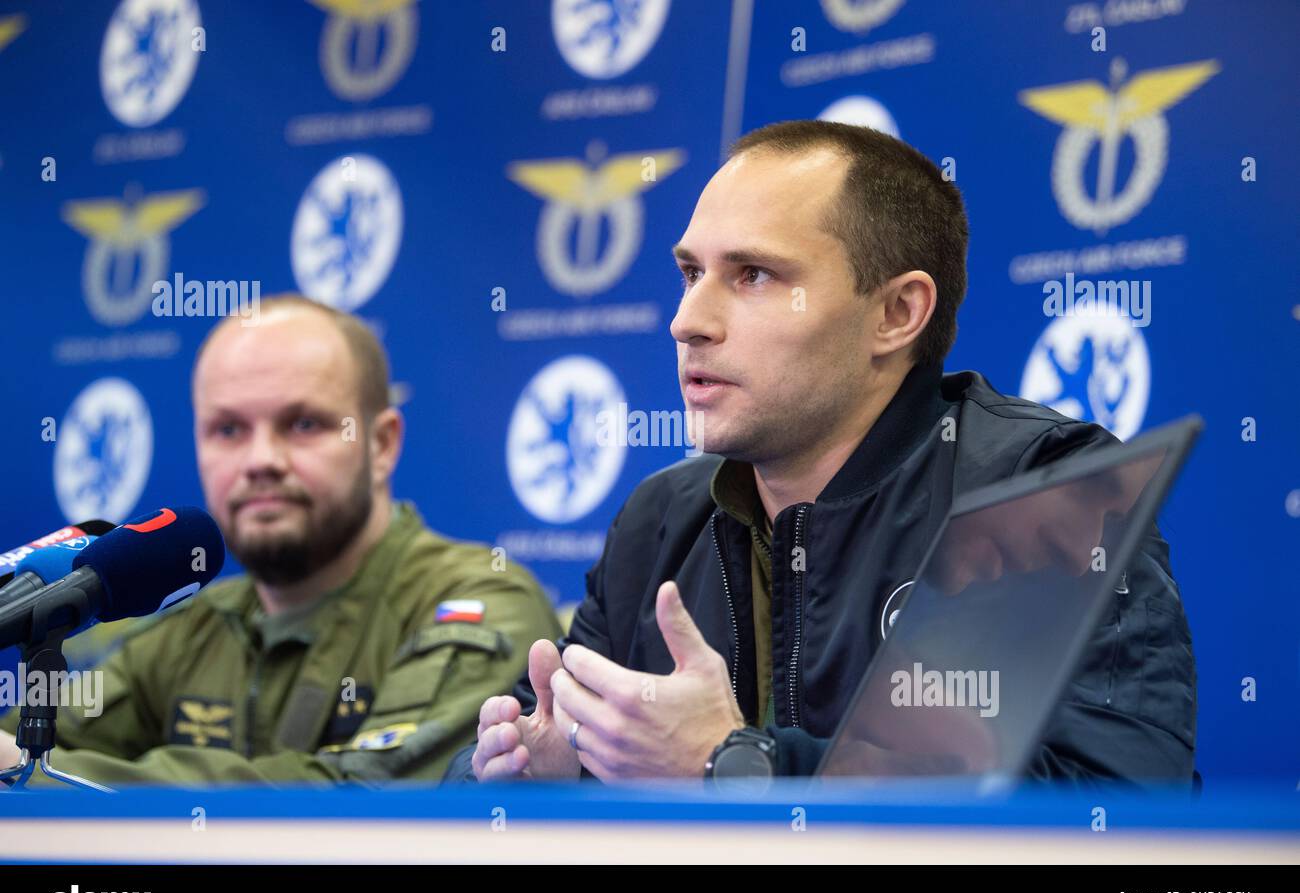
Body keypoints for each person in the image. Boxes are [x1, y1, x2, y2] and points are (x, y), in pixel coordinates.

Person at [457, 120, 1196, 786]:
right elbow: (507, 756)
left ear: (896, 313)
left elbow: (1121, 810)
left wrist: (739, 763)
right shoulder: (661, 514)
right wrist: (548, 777)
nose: (688, 321)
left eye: (753, 275)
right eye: (690, 273)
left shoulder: (1042, 488)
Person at [0, 294, 560, 785]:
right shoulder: (196, 623)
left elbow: (359, 803)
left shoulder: (482, 603)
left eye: (303, 424)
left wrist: (23, 776)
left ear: (382, 444)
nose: (260, 461)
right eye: (227, 430)